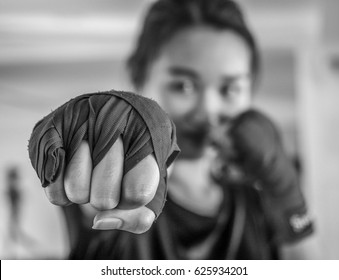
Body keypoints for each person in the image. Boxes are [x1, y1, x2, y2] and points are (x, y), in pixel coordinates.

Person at [28, 0, 313, 259]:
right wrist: (95, 129)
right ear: (138, 81)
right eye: (183, 86)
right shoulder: (119, 188)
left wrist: (287, 194)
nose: (208, 111)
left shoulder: (257, 199)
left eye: (230, 88)